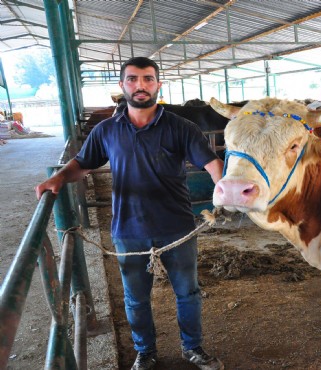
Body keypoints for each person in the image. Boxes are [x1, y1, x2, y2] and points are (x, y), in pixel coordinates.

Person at [35, 57, 224, 370]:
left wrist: (225, 190)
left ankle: (192, 348)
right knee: (136, 299)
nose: (140, 86)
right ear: (122, 86)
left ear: (158, 85)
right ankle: (145, 351)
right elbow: (82, 164)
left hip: (176, 226)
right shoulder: (107, 130)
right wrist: (57, 178)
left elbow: (212, 164)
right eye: (133, 79)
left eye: (148, 79)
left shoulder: (182, 127)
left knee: (188, 293)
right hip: (128, 228)